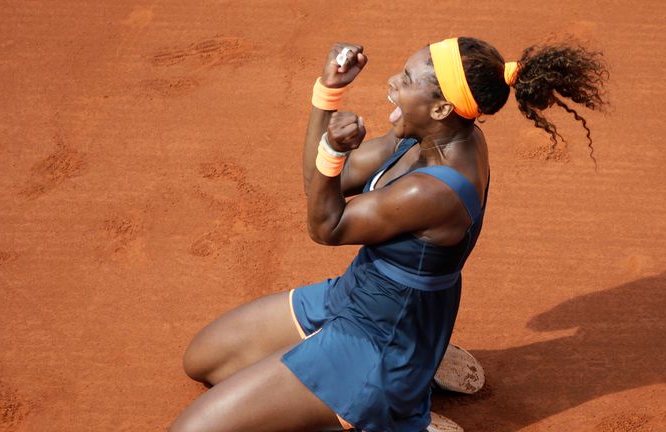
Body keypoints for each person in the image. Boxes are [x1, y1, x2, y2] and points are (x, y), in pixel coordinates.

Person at [170, 36, 607, 432]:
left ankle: (397, 406)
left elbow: (326, 226)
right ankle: (415, 367)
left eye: (407, 79)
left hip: (378, 342)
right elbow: (321, 185)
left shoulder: (432, 189)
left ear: (440, 108)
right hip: (360, 296)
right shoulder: (433, 135)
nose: (392, 81)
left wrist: (332, 151)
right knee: (205, 361)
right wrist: (329, 91)